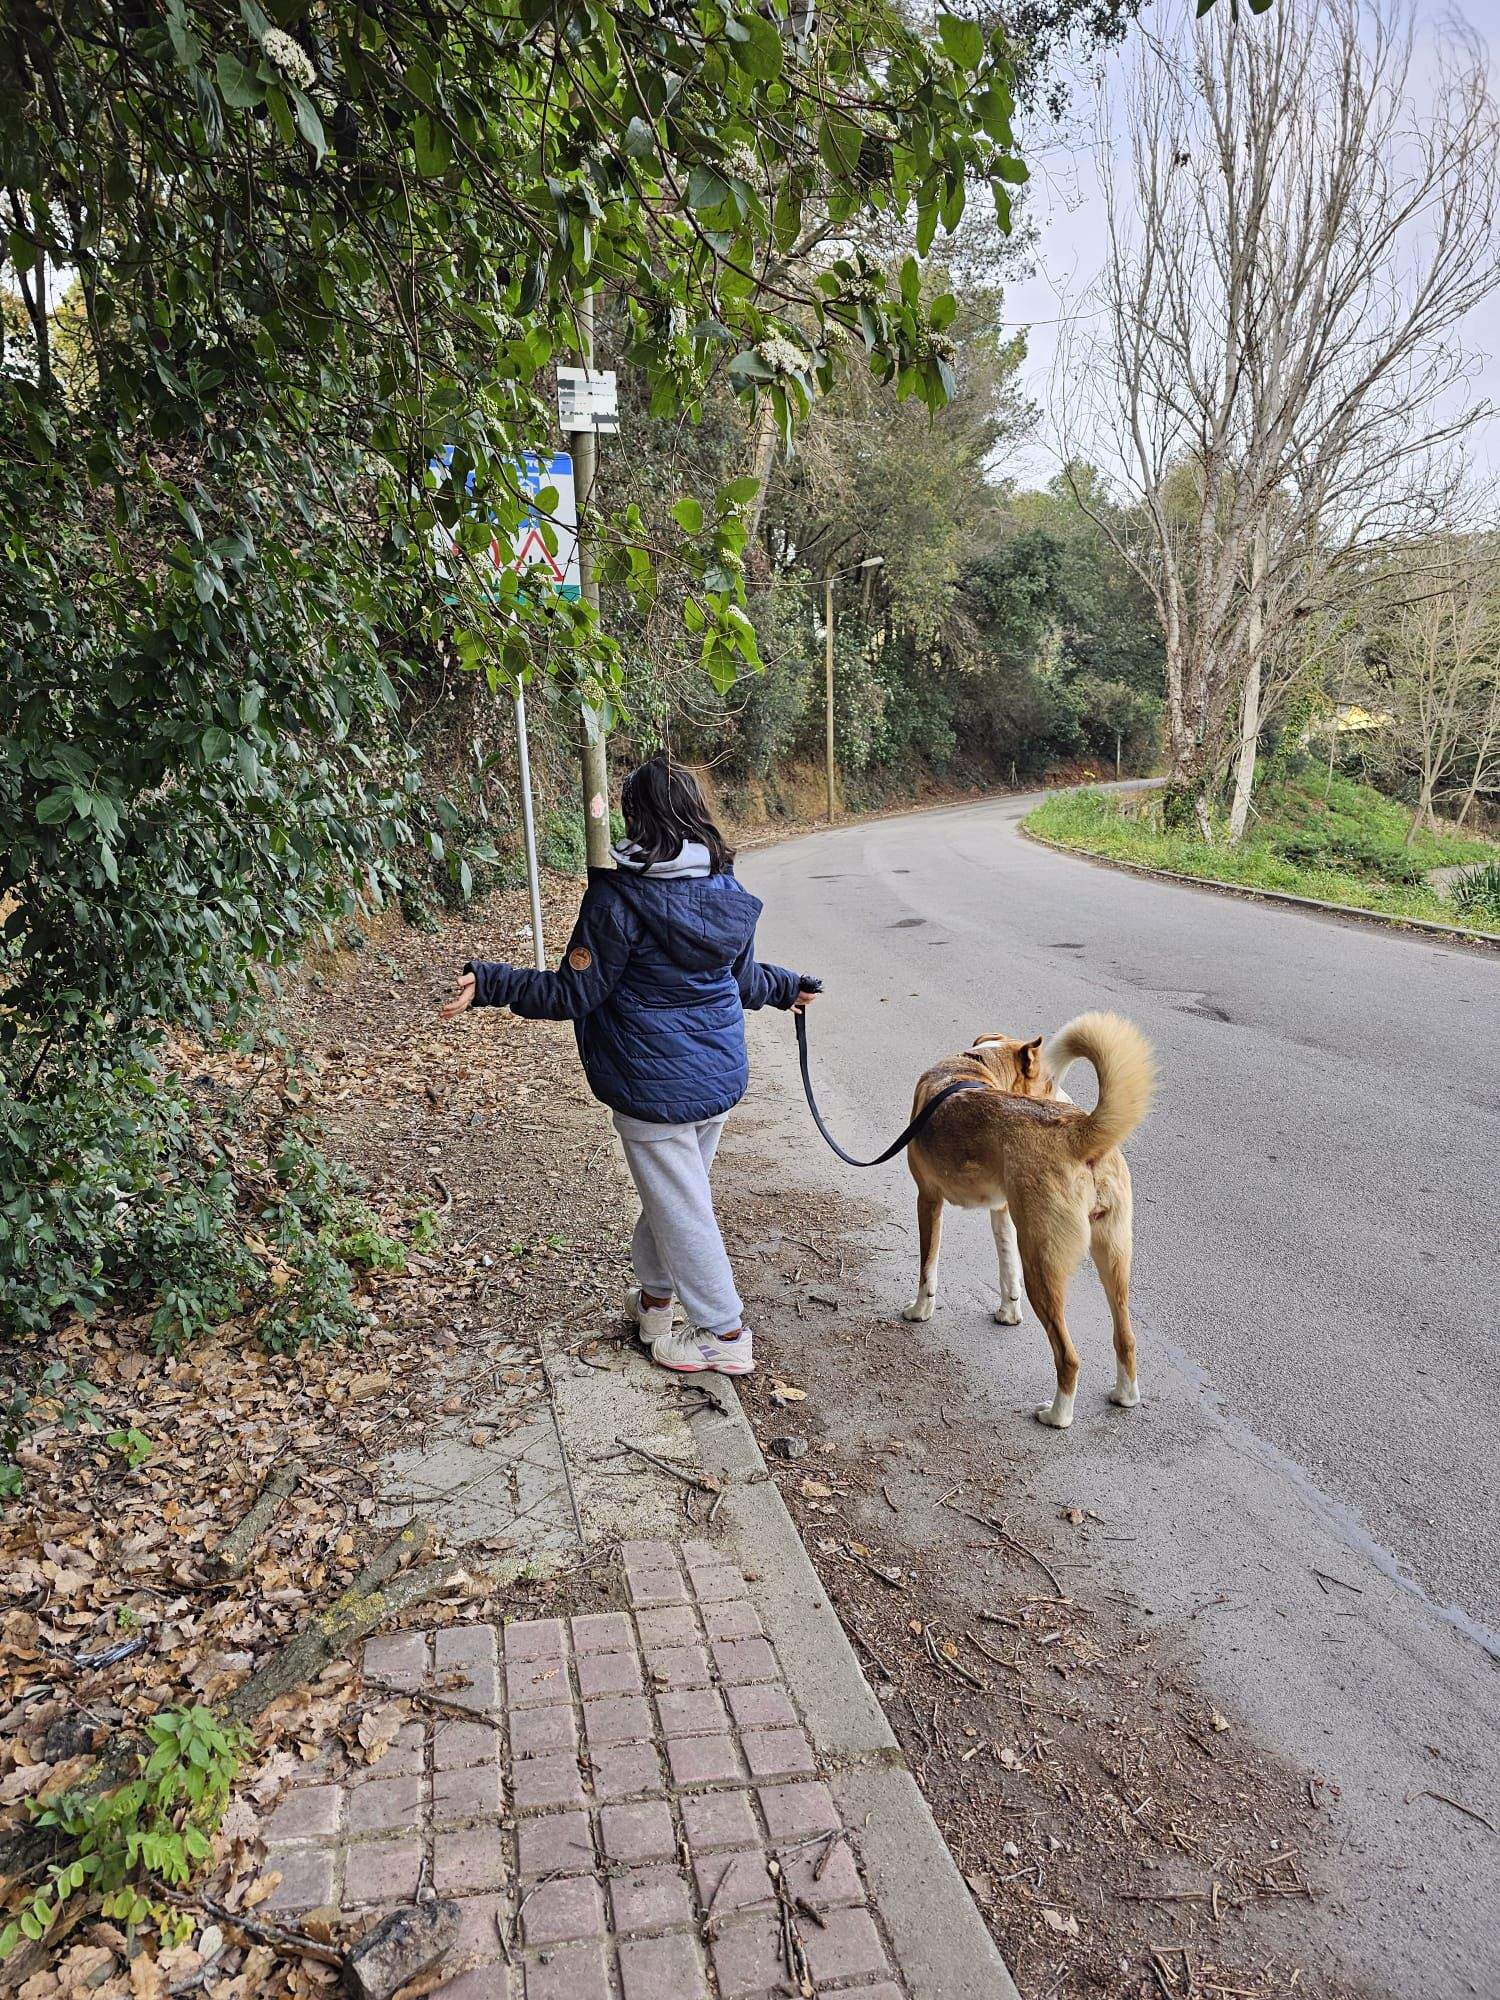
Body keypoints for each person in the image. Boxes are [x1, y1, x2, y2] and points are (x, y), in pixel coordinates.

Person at [440, 754, 818, 1376]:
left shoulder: (617, 896)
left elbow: (573, 994)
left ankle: (724, 1333)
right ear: (696, 811)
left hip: (651, 1084)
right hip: (718, 1076)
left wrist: (489, 982)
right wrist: (786, 988)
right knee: (675, 1197)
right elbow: (741, 978)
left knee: (681, 1203)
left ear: (635, 815)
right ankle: (655, 1303)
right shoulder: (725, 885)